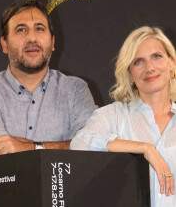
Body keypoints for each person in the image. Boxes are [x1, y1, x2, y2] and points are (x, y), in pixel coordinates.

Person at [0, 0, 97, 158]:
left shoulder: (76, 90)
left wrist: (31, 148)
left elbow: (90, 145)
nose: (32, 38)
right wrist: (62, 146)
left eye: (40, 29)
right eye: (21, 30)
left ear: (53, 42)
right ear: (4, 44)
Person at [70, 26, 176, 207]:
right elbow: (79, 143)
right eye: (138, 62)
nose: (149, 67)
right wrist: (144, 148)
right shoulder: (113, 115)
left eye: (156, 56)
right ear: (130, 73)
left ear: (172, 63)